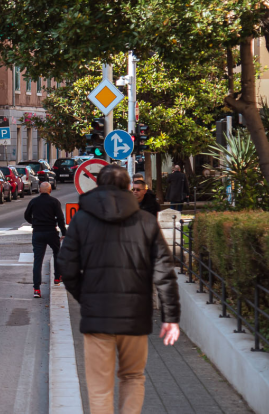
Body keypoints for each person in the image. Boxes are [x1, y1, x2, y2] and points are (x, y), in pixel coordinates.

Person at [57, 164, 181, 414]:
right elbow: (164, 272)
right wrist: (171, 318)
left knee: (99, 387)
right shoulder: (146, 221)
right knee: (133, 377)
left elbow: (66, 266)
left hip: (97, 319)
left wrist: (86, 298)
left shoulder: (81, 219)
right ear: (128, 188)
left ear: (98, 186)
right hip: (135, 317)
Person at [24, 181, 66, 298]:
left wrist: (34, 222)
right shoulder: (54, 202)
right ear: (50, 190)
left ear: (39, 190)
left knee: (38, 260)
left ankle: (36, 289)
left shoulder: (34, 201)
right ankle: (57, 277)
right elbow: (61, 218)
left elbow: (27, 215)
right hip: (51, 232)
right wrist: (64, 232)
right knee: (57, 253)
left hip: (37, 233)